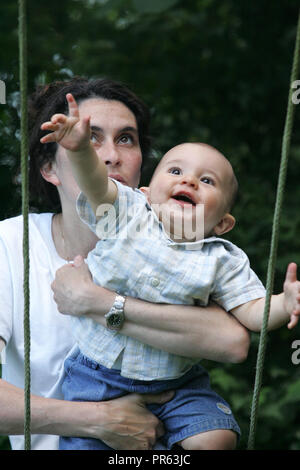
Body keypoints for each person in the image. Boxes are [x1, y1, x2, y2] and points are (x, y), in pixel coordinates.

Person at [0, 77, 250, 451]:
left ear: (142, 172)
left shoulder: (185, 250)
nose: (111, 155)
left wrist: (95, 303)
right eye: (90, 137)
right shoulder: (8, 244)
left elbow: (233, 342)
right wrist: (98, 421)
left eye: (126, 139)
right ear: (48, 168)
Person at [42, 93, 300, 450]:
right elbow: (96, 185)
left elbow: (254, 312)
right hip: (97, 377)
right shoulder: (127, 216)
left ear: (223, 223)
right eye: (176, 171)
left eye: (207, 181)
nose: (189, 181)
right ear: (146, 193)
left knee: (218, 436)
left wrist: (286, 302)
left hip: (177, 384)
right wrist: (80, 150)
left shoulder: (223, 259)